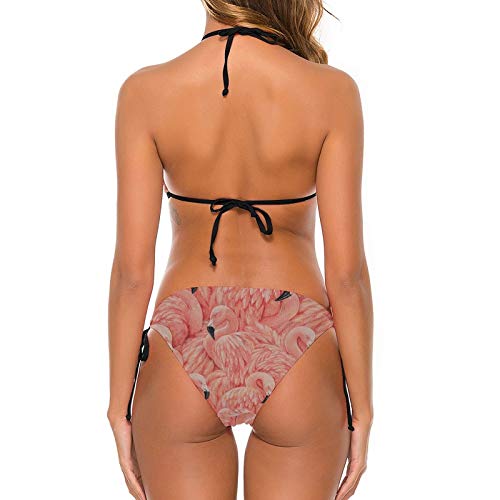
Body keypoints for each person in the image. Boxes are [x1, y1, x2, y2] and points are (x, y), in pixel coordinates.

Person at [107, 1, 373, 498]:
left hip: (186, 331)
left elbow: (132, 274)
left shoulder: (144, 92)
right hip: (296, 335)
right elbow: (346, 276)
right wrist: (363, 408)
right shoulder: (332, 92)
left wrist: (118, 406)